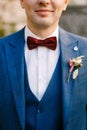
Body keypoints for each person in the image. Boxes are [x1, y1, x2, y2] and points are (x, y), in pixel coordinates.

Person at [0, 0, 87, 130]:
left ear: (65, 3)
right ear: (22, 1)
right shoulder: (2, 49)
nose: (44, 1)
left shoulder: (85, 49)